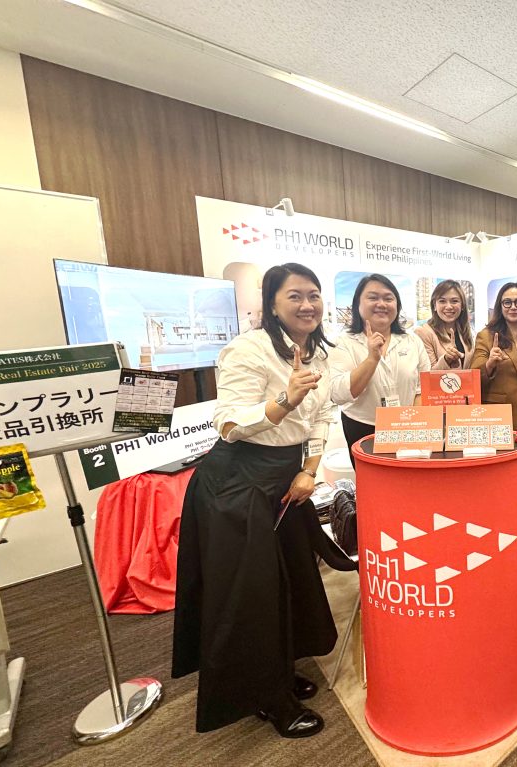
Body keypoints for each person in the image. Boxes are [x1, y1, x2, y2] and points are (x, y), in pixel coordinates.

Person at [172, 263, 338, 737]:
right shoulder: (248, 349)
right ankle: (268, 697)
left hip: (285, 480)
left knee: (287, 581)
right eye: (294, 296)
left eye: (313, 295)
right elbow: (228, 424)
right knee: (252, 596)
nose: (307, 305)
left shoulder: (318, 352)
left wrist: (309, 469)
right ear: (272, 304)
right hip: (237, 485)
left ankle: (278, 671)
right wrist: (284, 401)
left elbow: (322, 415)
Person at [329, 274, 431, 465]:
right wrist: (372, 359)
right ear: (357, 304)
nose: (381, 304)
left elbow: (423, 387)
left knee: (409, 478)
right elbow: (338, 394)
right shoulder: (343, 342)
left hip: (407, 426)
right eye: (373, 297)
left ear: (397, 305)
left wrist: (412, 424)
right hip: (363, 427)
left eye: (388, 298)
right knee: (373, 481)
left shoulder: (412, 340)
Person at [470, 282, 517, 437]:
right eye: (507, 302)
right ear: (500, 306)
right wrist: (489, 363)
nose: (513, 307)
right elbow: (474, 375)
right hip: (499, 414)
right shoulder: (486, 336)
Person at [414, 280, 474, 369]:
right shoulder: (423, 333)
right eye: (442, 301)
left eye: (454, 301)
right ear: (434, 305)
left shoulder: (466, 331)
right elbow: (427, 372)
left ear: (462, 306)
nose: (449, 306)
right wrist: (446, 360)